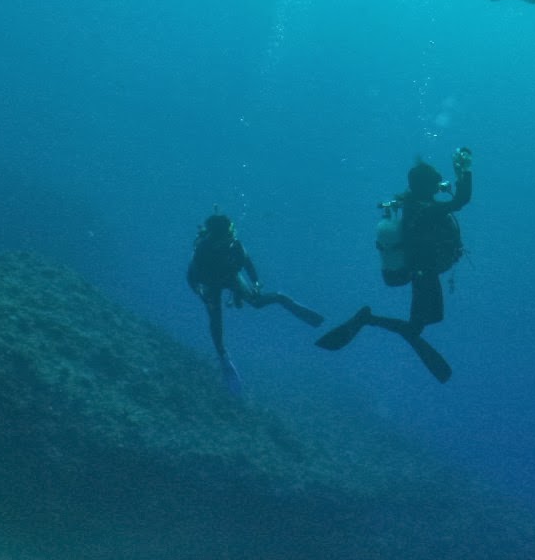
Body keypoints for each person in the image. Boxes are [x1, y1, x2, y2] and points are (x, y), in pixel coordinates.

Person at [315, 146, 473, 383]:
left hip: (420, 271)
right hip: (423, 273)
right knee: (417, 327)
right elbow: (461, 200)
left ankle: (376, 322)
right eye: (434, 183)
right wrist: (464, 171)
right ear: (425, 186)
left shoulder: (413, 204)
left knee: (425, 322)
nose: (437, 186)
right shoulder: (426, 210)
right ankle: (367, 319)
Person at [187, 211, 323, 394]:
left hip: (230, 276)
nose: (232, 237)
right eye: (228, 235)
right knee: (215, 318)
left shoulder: (234, 244)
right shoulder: (203, 250)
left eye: (231, 233)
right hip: (210, 283)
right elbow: (192, 276)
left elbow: (247, 263)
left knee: (257, 302)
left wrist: (256, 283)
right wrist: (200, 293)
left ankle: (283, 299)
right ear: (217, 238)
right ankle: (223, 356)